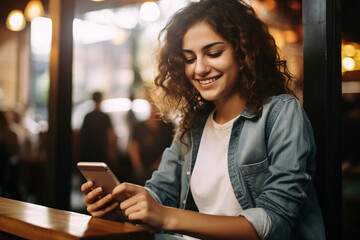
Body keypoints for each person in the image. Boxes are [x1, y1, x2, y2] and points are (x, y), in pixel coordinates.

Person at [81, 0, 325, 239]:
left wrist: (166, 217)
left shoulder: (281, 113)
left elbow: (275, 222)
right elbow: (161, 193)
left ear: (244, 53)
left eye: (214, 53)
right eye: (189, 58)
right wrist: (123, 208)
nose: (199, 69)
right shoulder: (193, 124)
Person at [128, 98, 174, 185]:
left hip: (162, 169)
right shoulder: (139, 127)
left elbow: (171, 147)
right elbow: (134, 147)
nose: (156, 109)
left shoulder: (168, 127)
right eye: (153, 105)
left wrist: (160, 163)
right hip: (143, 168)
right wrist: (138, 167)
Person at [79, 91, 117, 165]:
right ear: (101, 99)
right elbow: (110, 134)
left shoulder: (88, 117)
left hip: (89, 150)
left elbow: (82, 135)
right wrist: (111, 150)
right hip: (102, 150)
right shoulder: (105, 117)